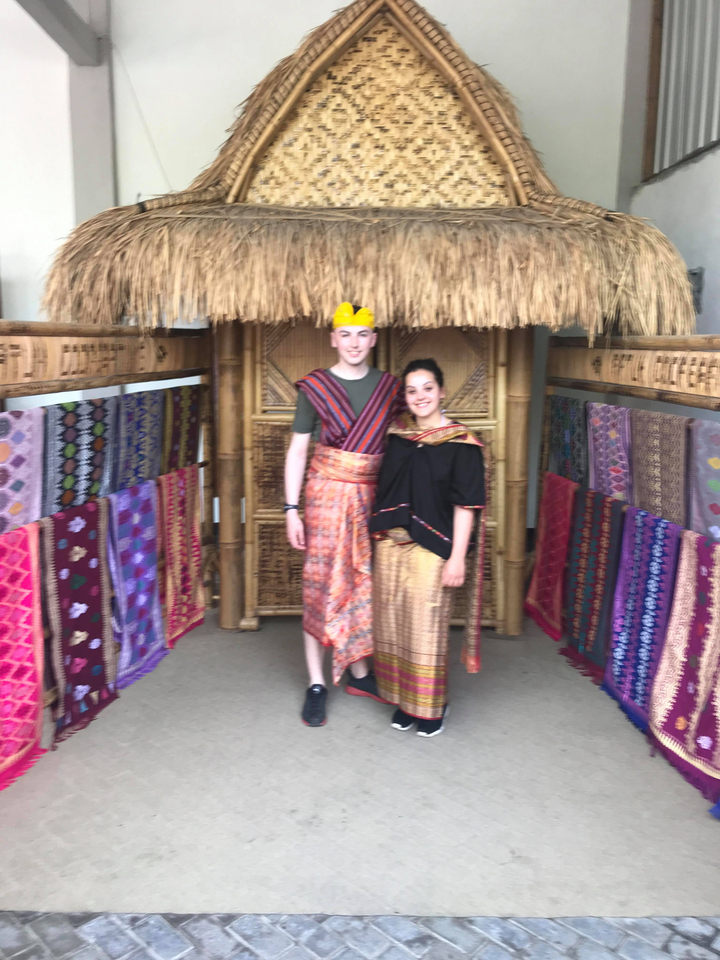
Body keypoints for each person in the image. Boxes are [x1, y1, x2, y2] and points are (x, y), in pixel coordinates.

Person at [284, 302, 403, 727]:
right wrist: (291, 509)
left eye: (362, 334)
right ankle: (316, 682)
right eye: (346, 334)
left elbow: (408, 438)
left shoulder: (391, 388)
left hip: (371, 498)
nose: (354, 343)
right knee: (320, 586)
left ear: (373, 339)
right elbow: (299, 449)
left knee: (363, 584)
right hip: (325, 497)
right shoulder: (314, 387)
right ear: (333, 339)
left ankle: (358, 672)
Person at [369, 358, 486, 738]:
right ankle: (405, 701)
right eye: (412, 390)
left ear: (442, 392)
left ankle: (432, 709)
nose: (420, 396)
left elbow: (466, 504)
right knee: (393, 621)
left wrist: (456, 558)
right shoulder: (396, 438)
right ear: (405, 397)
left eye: (427, 388)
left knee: (425, 626)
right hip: (392, 544)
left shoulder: (462, 444)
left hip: (432, 547)